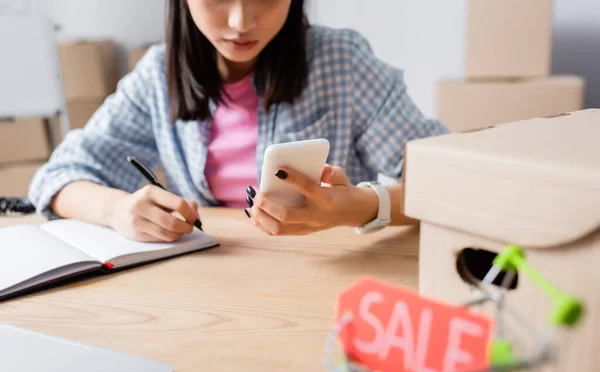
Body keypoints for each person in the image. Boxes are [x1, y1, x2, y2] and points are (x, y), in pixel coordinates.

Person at [29, 0, 448, 242]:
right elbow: (58, 176)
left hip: (326, 287)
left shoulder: (342, 62)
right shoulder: (159, 77)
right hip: (214, 294)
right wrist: (118, 209)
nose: (241, 22)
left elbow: (453, 181)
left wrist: (359, 206)